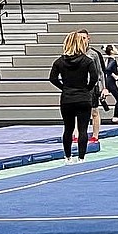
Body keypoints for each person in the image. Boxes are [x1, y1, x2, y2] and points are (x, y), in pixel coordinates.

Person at [48, 30, 98, 164]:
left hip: (67, 98)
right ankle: (81, 157)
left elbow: (52, 78)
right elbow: (94, 78)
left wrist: (64, 87)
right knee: (83, 129)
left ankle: (68, 157)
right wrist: (87, 89)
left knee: (68, 128)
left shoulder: (59, 62)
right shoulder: (87, 61)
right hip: (83, 97)